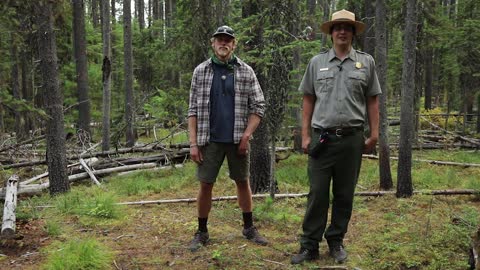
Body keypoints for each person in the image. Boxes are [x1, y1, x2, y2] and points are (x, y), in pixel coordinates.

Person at [291, 9, 381, 264]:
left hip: (352, 139)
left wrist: (374, 135)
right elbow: (308, 100)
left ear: (353, 33)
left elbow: (372, 100)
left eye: (347, 27)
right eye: (337, 27)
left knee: (344, 194)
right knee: (317, 193)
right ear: (331, 33)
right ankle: (309, 246)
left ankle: (336, 241)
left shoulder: (366, 63)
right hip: (322, 139)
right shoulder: (317, 63)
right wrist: (305, 135)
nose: (342, 31)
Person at [187, 25, 268, 252]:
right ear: (213, 43)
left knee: (243, 181)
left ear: (234, 44)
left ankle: (249, 227)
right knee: (206, 184)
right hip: (208, 140)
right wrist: (193, 143)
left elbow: (259, 105)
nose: (223, 43)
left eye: (228, 40)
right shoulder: (201, 72)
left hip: (237, 140)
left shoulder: (245, 71)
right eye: (219, 40)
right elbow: (192, 110)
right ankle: (202, 232)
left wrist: (247, 135)